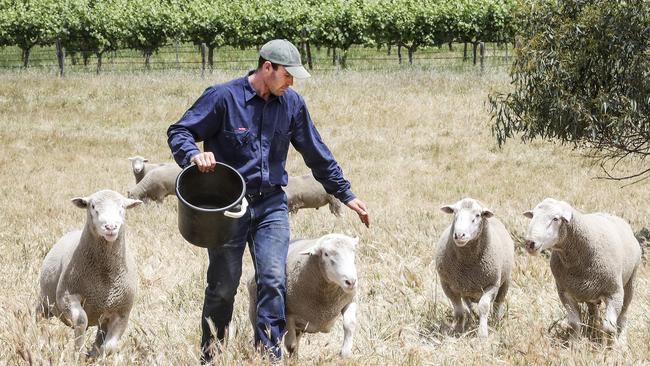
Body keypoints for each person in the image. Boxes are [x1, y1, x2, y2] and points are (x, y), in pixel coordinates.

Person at [167, 39, 371, 362]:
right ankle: (212, 353)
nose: (291, 83)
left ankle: (268, 355)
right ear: (267, 68)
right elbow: (178, 131)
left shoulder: (292, 104)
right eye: (287, 75)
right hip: (228, 206)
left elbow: (316, 153)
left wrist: (346, 193)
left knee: (273, 281)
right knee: (223, 284)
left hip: (272, 204)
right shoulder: (223, 98)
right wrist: (193, 154)